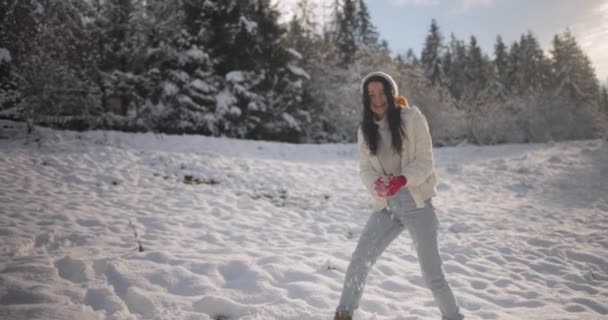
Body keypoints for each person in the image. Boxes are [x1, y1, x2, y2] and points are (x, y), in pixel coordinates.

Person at [333, 72, 464, 320]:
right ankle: (343, 313)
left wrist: (401, 179)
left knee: (432, 274)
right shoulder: (365, 129)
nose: (378, 99)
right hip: (387, 206)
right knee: (360, 259)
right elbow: (366, 169)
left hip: (416, 202)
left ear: (392, 93)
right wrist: (378, 186)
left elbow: (425, 162)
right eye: (371, 94)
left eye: (382, 92)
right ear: (365, 99)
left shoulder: (412, 118)